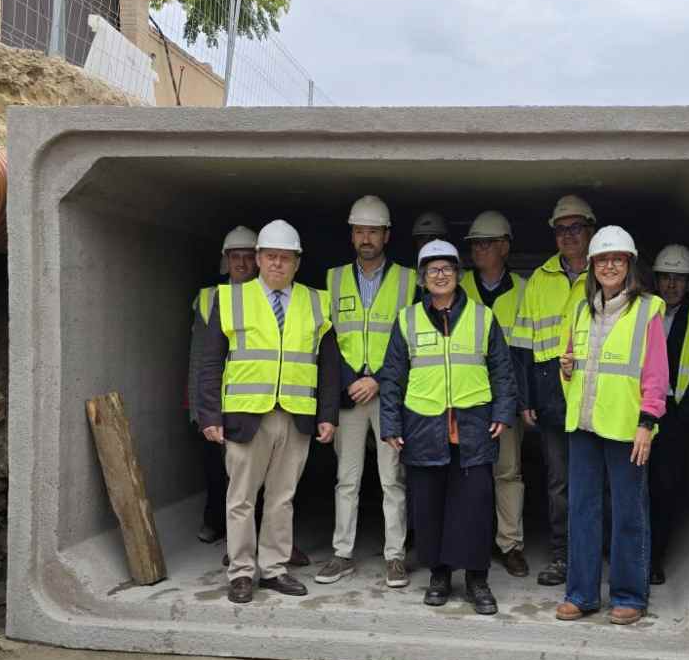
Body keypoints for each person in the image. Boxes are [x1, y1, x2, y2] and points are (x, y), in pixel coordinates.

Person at [197, 220, 340, 603]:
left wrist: (328, 414)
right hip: (245, 415)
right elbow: (209, 363)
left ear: (297, 263)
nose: (277, 264)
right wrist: (210, 416)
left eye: (285, 258)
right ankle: (242, 572)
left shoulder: (316, 301)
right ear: (258, 259)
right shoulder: (230, 299)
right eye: (271, 256)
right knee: (241, 497)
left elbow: (328, 364)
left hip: (295, 415)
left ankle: (274, 568)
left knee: (282, 497)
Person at [379, 241, 517, 614]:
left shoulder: (482, 316)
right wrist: (390, 423)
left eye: (447, 269)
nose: (440, 275)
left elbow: (502, 371)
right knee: (429, 508)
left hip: (473, 429)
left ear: (458, 275)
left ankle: (477, 579)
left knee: (473, 507)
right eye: (432, 270)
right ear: (423, 278)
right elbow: (392, 377)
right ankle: (439, 575)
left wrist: (504, 412)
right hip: (424, 428)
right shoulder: (407, 320)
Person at [556, 226, 668, 626]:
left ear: (629, 265)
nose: (609, 266)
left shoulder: (648, 309)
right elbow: (573, 368)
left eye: (617, 259)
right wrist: (566, 368)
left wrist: (647, 422)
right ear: (592, 267)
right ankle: (582, 594)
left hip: (627, 429)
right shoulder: (580, 310)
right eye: (602, 260)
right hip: (583, 425)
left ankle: (629, 595)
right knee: (582, 511)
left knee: (628, 513)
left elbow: (656, 374)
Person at [318, 195, 418, 589]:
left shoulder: (409, 280)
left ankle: (395, 557)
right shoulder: (333, 278)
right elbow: (328, 341)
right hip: (349, 394)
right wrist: (348, 381)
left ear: (387, 235)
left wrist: (377, 378)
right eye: (359, 230)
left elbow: (412, 339)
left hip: (389, 391)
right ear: (351, 234)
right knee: (347, 478)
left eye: (373, 231)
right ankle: (342, 553)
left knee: (392, 478)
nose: (365, 238)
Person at [512, 194, 595, 586]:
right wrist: (526, 398)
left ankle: (591, 553)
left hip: (597, 390)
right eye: (561, 229)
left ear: (590, 230)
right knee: (558, 481)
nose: (568, 235)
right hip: (550, 392)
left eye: (576, 228)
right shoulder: (539, 280)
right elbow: (525, 345)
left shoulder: (607, 273)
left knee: (595, 479)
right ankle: (563, 556)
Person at [460, 210, 529, 577]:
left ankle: (510, 543)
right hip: (464, 399)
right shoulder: (457, 288)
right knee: (465, 474)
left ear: (504, 246)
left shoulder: (523, 290)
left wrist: (521, 401)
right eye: (473, 244)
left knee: (507, 472)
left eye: (485, 243)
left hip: (505, 399)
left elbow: (528, 350)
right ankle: (469, 541)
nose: (478, 250)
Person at [189, 225, 257, 545]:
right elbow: (199, 358)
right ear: (225, 261)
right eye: (235, 257)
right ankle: (214, 521)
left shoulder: (266, 298)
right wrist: (200, 408)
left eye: (247, 256)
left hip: (252, 400)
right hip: (217, 400)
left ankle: (251, 537)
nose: (241, 263)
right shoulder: (208, 298)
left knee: (253, 476)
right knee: (217, 471)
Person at [648, 244, 689, 586]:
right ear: (656, 280)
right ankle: (631, 551)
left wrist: (684, 417)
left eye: (679, 279)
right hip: (641, 409)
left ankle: (656, 558)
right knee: (634, 485)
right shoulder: (643, 312)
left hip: (675, 414)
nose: (671, 285)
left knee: (665, 487)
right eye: (666, 277)